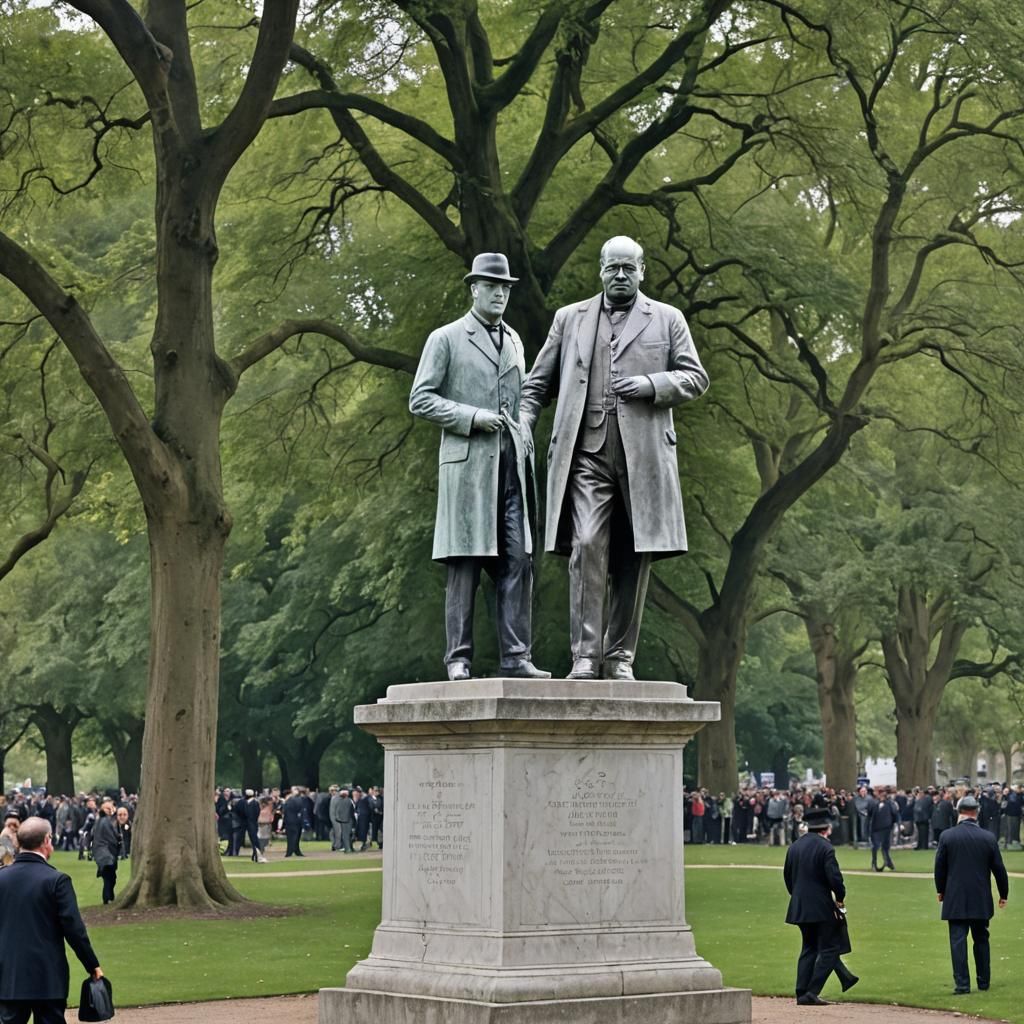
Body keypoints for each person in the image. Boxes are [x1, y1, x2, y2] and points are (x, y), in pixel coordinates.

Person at [520, 236, 708, 680]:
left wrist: (650, 385)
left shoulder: (667, 319)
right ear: (600, 270)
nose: (620, 276)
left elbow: (695, 378)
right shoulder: (569, 319)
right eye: (612, 268)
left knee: (631, 555)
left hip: (643, 459)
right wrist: (523, 424)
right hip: (586, 453)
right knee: (586, 545)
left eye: (628, 268)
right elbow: (536, 384)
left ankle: (619, 655)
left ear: (643, 270)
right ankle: (585, 655)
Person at [409, 252, 548, 681]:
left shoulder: (516, 341)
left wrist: (525, 422)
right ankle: (458, 659)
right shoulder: (446, 338)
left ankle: (516, 656)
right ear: (474, 289)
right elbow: (420, 398)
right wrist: (471, 417)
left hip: (512, 469)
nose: (500, 294)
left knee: (518, 559)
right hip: (468, 468)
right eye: (492, 286)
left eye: (505, 287)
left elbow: (524, 396)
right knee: (464, 564)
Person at [0, 817, 104, 1023]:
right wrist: (92, 965)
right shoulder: (56, 880)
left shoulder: (2, 878)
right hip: (47, 975)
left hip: (8, 974)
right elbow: (74, 929)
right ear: (47, 841)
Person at [934, 793, 1009, 995]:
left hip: (955, 896)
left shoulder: (947, 836)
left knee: (957, 941)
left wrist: (940, 890)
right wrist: (1004, 893)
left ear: (959, 812)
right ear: (976, 813)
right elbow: (999, 869)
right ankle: (983, 982)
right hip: (980, 897)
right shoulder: (988, 837)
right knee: (981, 939)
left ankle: (962, 984)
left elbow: (939, 867)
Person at [783, 806, 858, 1006]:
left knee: (808, 947)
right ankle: (813, 990)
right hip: (821, 906)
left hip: (799, 905)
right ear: (827, 828)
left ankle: (802, 991)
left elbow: (788, 878)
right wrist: (840, 898)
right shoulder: (826, 848)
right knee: (830, 948)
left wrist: (798, 896)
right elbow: (835, 879)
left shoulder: (795, 846)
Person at [91, 799, 120, 905]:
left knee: (108, 877)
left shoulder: (99, 821)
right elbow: (111, 838)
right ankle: (108, 898)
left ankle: (109, 897)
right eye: (108, 808)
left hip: (101, 853)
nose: (110, 810)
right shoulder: (105, 821)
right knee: (110, 877)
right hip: (106, 854)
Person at [869, 786, 898, 871]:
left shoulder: (890, 804)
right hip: (876, 828)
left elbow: (894, 814)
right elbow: (870, 814)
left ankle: (888, 863)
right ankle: (874, 863)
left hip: (886, 828)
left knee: (885, 847)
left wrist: (893, 824)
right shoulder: (875, 804)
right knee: (875, 846)